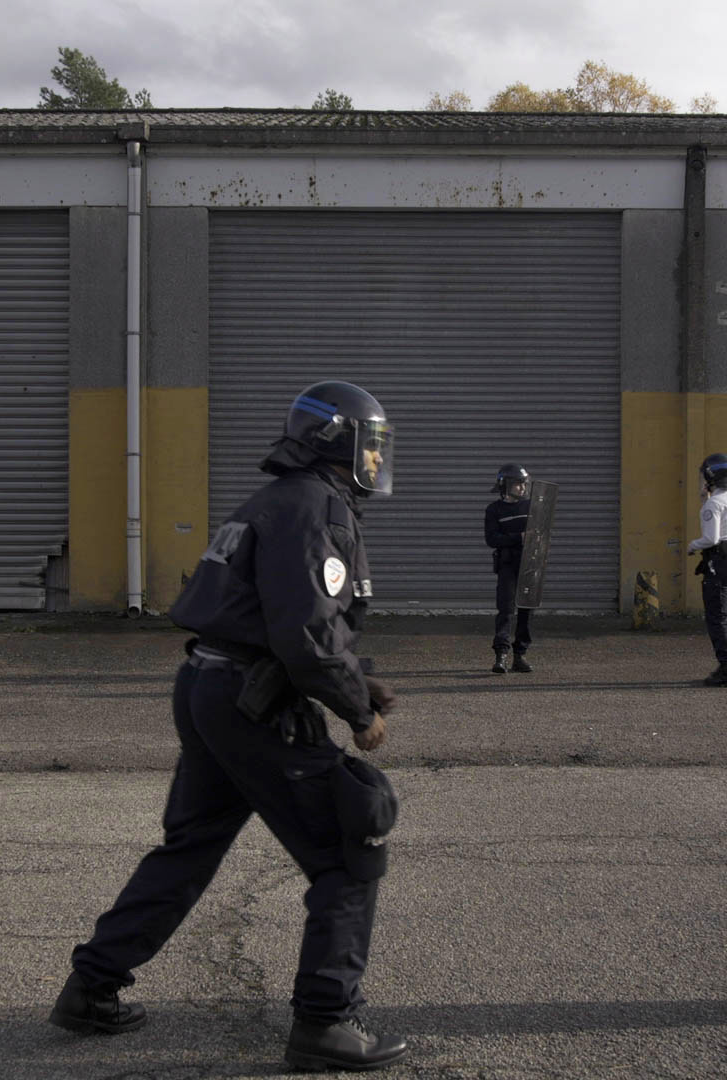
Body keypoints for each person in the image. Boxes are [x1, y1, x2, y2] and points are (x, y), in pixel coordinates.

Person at [50, 380, 409, 1071]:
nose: (375, 459)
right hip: (255, 701)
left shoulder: (273, 500)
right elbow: (304, 629)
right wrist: (356, 711)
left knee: (189, 847)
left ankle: (91, 986)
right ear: (339, 442)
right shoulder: (315, 507)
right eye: (371, 444)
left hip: (210, 687)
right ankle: (328, 1022)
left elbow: (269, 616)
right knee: (348, 847)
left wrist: (353, 675)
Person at [688, 453, 727, 687]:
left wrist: (692, 546)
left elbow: (711, 537)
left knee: (717, 618)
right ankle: (726, 665)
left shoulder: (713, 504)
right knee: (723, 615)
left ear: (711, 476)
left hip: (720, 563)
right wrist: (705, 500)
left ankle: (726, 668)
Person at [483, 463, 535, 674]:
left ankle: (519, 656)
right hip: (507, 565)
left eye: (524, 484)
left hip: (529, 565)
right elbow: (492, 538)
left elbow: (540, 533)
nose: (522, 488)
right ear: (504, 485)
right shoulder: (494, 510)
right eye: (517, 484)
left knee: (526, 610)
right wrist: (518, 538)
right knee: (506, 610)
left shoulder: (531, 507)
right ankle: (501, 656)